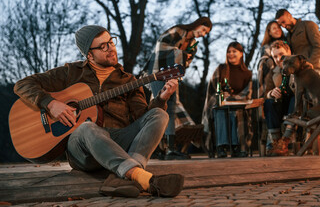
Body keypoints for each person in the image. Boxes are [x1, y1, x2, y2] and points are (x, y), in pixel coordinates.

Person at [13, 25, 184, 198]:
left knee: (159, 114)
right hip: (84, 150)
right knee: (87, 127)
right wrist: (50, 104)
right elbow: (22, 84)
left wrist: (161, 99)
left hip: (118, 143)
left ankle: (129, 176)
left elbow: (142, 120)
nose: (111, 49)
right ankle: (139, 177)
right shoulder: (71, 73)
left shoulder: (128, 80)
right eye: (103, 46)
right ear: (89, 54)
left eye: (111, 42)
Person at [144, 17, 212, 160]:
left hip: (173, 75)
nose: (203, 34)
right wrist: (180, 54)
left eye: (206, 33)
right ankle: (156, 147)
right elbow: (160, 47)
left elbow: (186, 64)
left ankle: (170, 148)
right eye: (204, 30)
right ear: (198, 25)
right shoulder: (178, 31)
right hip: (158, 71)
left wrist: (184, 57)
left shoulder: (193, 44)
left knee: (172, 107)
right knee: (159, 107)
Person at [202, 42, 252, 158]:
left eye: (234, 51)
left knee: (236, 112)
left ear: (241, 54)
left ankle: (236, 146)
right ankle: (221, 147)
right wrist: (220, 95)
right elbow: (212, 89)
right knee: (220, 110)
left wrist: (233, 98)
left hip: (238, 105)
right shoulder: (221, 69)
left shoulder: (247, 73)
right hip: (220, 104)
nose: (231, 54)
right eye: (229, 52)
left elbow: (247, 94)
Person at [263, 40, 295, 156]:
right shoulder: (273, 72)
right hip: (281, 106)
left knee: (295, 98)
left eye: (281, 54)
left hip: (296, 107)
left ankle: (285, 140)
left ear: (289, 52)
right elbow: (265, 93)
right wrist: (271, 93)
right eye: (275, 56)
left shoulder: (299, 68)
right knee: (268, 103)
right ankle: (276, 142)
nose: (278, 58)